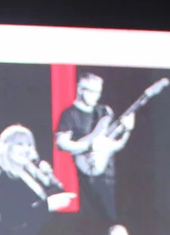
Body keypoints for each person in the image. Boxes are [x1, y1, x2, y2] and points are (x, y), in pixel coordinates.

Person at [0, 124, 72, 235]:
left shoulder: (31, 171)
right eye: (20, 144)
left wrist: (49, 175)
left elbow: (59, 194)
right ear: (6, 147)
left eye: (29, 145)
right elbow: (10, 219)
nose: (26, 149)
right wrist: (46, 206)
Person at [54, 71, 132, 224]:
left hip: (109, 175)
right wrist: (88, 145)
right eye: (91, 91)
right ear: (80, 89)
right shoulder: (69, 114)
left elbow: (113, 142)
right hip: (86, 178)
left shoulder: (104, 111)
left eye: (98, 92)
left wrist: (127, 129)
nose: (96, 96)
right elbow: (61, 143)